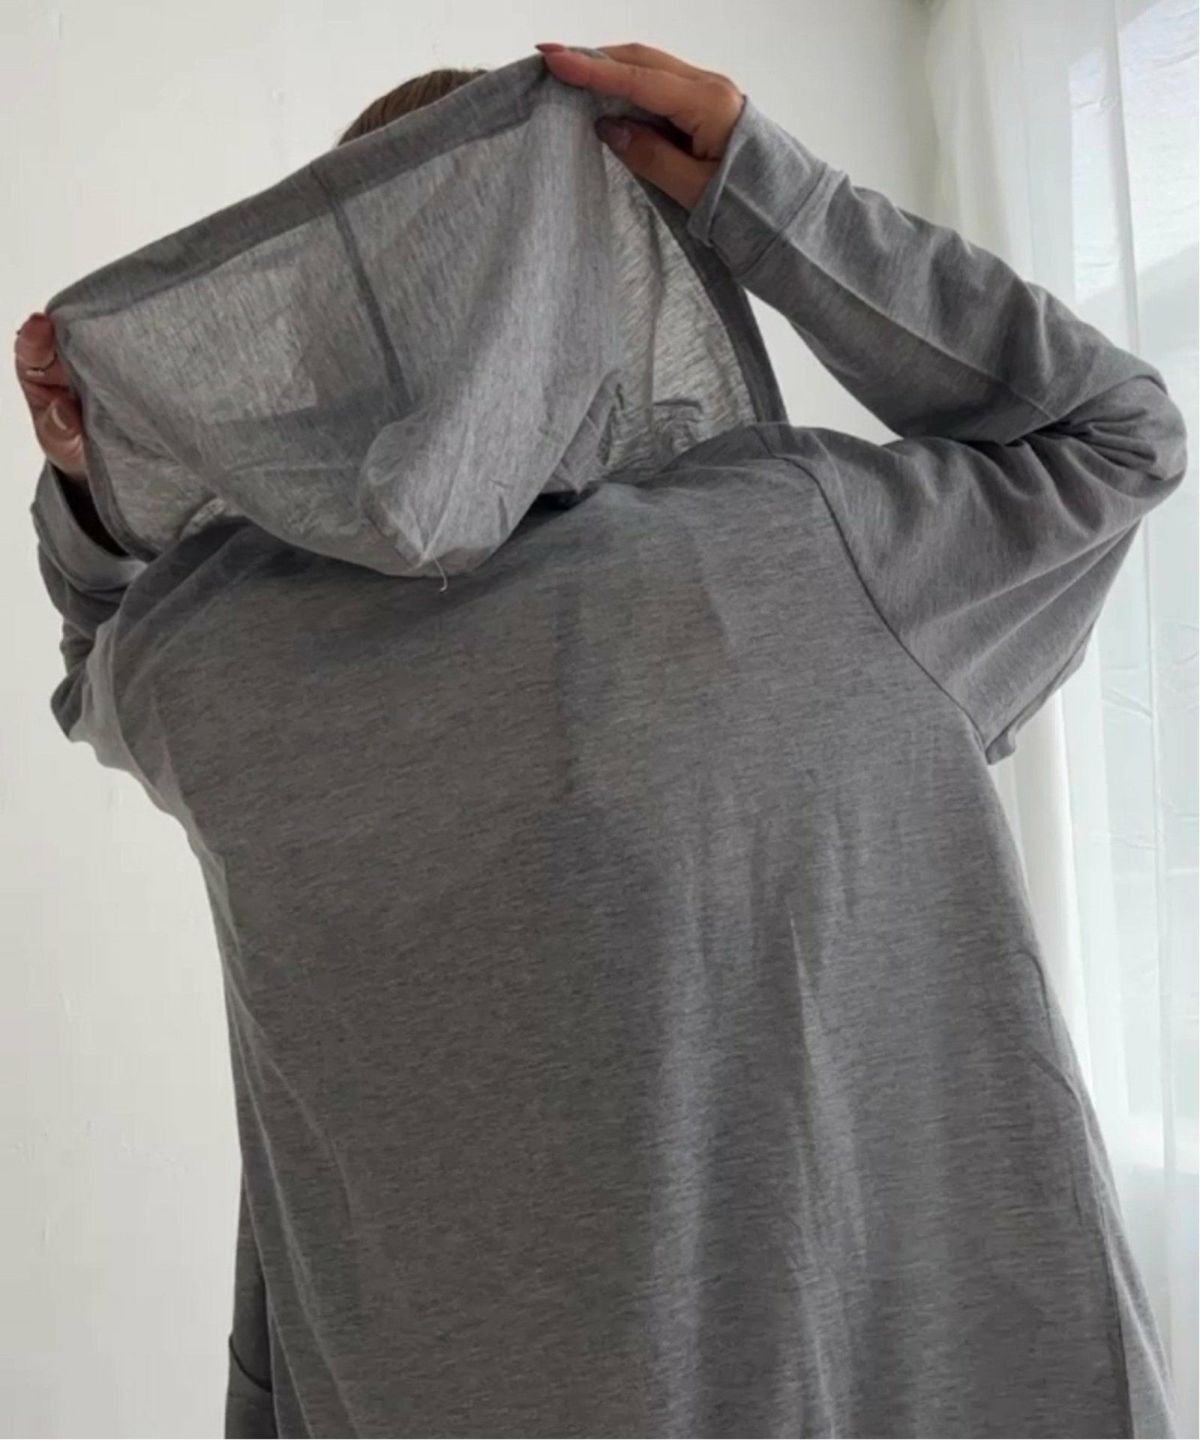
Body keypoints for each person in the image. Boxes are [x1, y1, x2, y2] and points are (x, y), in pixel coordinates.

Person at [18, 42, 1187, 1440]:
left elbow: (100, 642)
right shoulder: (808, 555)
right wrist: (766, 190)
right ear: (601, 276)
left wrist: (97, 491)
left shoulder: (222, 655)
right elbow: (1118, 436)